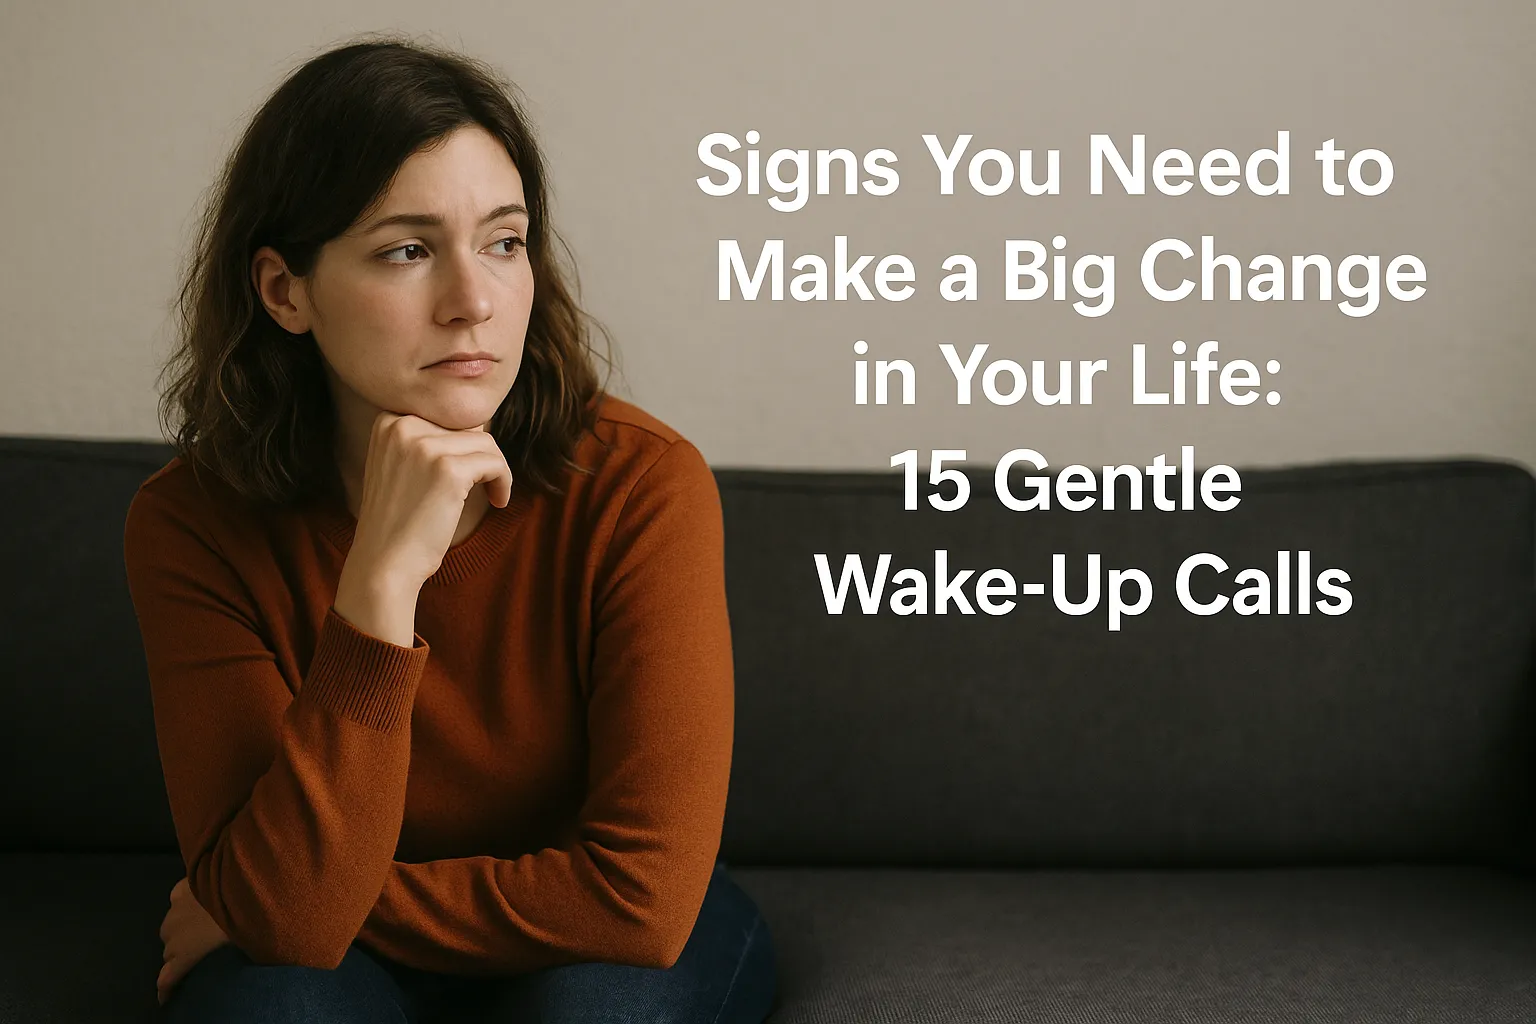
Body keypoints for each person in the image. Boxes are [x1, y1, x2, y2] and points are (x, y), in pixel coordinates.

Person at [122, 33, 777, 1024]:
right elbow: (294, 921)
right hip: (326, 950)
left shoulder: (643, 485)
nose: (474, 302)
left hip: (592, 929)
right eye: (407, 250)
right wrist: (380, 584)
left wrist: (275, 904)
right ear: (284, 291)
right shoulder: (191, 524)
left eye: (504, 243)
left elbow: (637, 900)